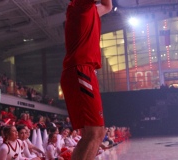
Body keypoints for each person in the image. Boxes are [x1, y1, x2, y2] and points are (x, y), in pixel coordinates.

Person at [60, 0, 112, 159]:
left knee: (95, 133)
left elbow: (108, 6)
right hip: (80, 69)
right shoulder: (79, 5)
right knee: (94, 132)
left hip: (85, 70)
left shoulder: (92, 10)